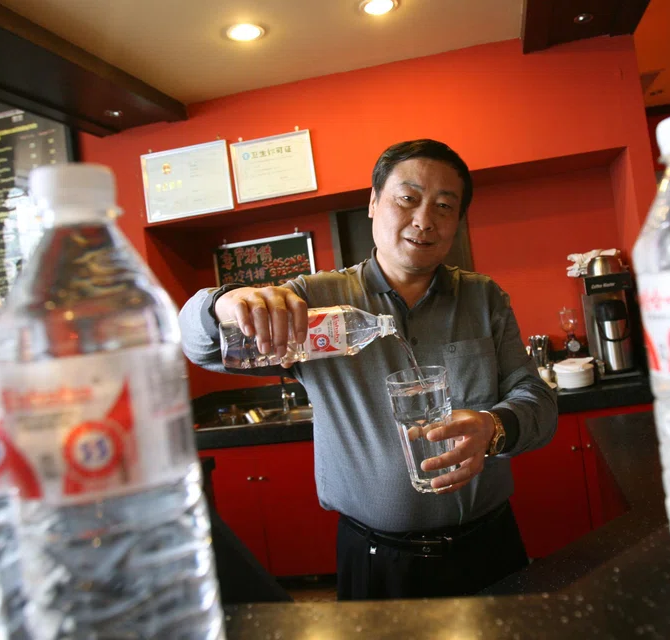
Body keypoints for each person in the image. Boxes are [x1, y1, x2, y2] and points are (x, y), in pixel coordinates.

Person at [179, 139, 558, 600]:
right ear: (374, 204)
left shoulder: (483, 298)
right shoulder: (312, 301)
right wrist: (223, 303)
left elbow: (536, 399)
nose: (424, 219)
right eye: (407, 198)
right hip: (376, 559)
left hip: (489, 547)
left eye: (444, 205)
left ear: (457, 222)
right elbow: (198, 347)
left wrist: (494, 427)